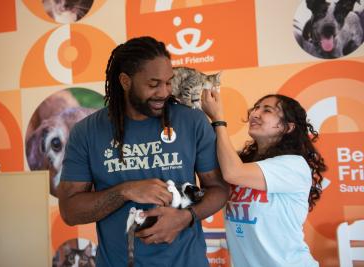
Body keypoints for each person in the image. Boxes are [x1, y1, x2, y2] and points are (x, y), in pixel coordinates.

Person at [57, 36, 229, 267]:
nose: (164, 92)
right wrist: (125, 191)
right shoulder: (86, 132)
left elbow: (218, 188)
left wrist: (186, 218)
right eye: (153, 84)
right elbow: (70, 211)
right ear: (125, 81)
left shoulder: (193, 121)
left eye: (169, 82)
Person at [201, 91, 327, 267]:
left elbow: (233, 173)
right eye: (255, 108)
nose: (255, 114)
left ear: (287, 127)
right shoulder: (242, 162)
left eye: (267, 110)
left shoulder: (293, 165)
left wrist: (218, 119)